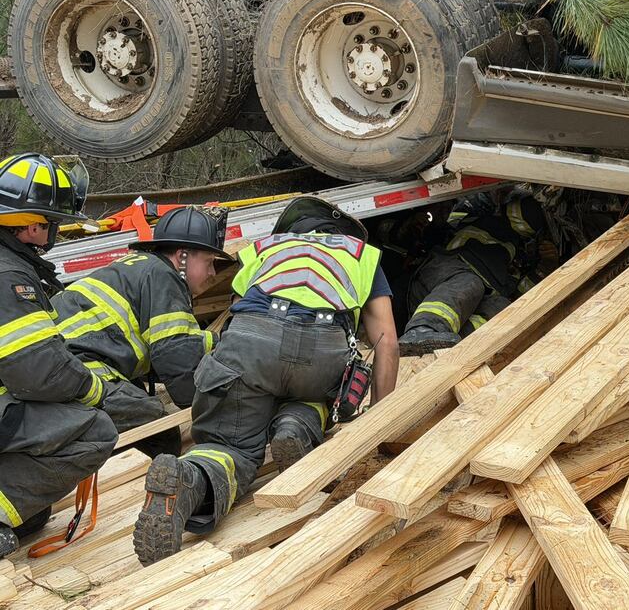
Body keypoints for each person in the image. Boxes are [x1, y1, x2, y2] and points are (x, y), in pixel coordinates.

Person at [133, 197, 399, 565]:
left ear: (293, 229)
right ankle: (296, 428)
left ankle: (189, 481)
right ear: (342, 234)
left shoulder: (265, 249)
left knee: (232, 445)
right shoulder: (361, 255)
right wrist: (384, 428)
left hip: (252, 342)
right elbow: (387, 343)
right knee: (319, 395)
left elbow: (240, 316)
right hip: (323, 351)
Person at [0, 153, 117, 558]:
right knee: (94, 429)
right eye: (54, 224)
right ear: (32, 225)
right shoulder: (10, 276)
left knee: (32, 509)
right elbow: (37, 372)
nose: (55, 233)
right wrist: (92, 389)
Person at [52, 207, 230, 457]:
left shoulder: (138, 268)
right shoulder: (164, 277)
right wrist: (217, 411)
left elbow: (164, 347)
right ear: (182, 256)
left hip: (59, 370)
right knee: (158, 433)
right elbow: (176, 359)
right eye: (209, 262)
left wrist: (216, 344)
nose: (213, 273)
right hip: (81, 371)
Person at [398, 193, 545, 354]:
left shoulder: (521, 253)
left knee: (502, 307)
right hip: (444, 274)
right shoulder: (479, 215)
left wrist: (546, 264)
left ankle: (448, 347)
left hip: (475, 297)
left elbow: (523, 295)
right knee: (471, 282)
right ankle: (422, 330)